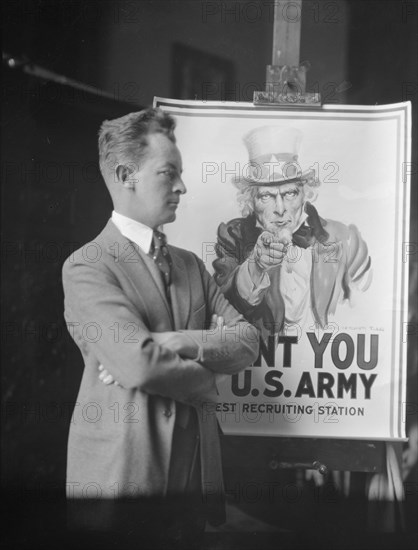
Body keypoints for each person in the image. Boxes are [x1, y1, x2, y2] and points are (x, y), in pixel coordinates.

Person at [62, 108, 259, 538]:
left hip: (191, 483)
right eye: (168, 173)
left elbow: (248, 341)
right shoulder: (86, 267)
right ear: (125, 174)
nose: (182, 186)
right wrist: (206, 382)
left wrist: (177, 340)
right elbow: (139, 365)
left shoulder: (190, 266)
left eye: (181, 173)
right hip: (120, 480)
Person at [213, 126, 372, 338]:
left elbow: (367, 312)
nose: (280, 209)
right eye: (266, 196)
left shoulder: (346, 239)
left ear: (305, 194)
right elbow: (220, 304)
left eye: (289, 194)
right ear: (250, 200)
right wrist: (256, 266)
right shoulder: (233, 236)